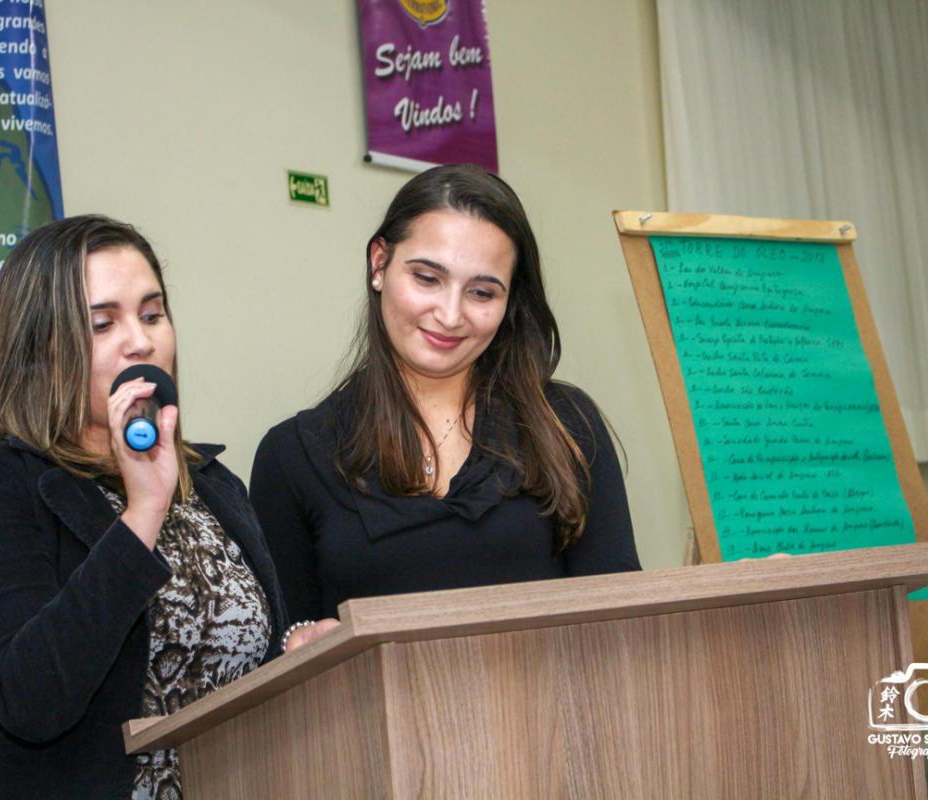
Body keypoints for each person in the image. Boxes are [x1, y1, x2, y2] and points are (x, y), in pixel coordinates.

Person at [0, 215, 288, 799]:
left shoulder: (212, 484)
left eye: (152, 314)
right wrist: (142, 512)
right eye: (103, 323)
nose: (140, 342)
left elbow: (245, 668)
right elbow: (30, 700)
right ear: (40, 347)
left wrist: (295, 651)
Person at [250, 165, 640, 650]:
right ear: (379, 263)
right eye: (427, 278)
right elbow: (278, 644)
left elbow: (622, 624)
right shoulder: (292, 456)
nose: (450, 315)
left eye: (481, 292)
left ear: (509, 300)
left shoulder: (565, 424)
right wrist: (296, 640)